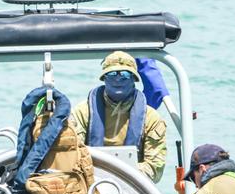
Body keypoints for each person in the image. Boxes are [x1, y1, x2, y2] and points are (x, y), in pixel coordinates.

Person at [70, 51, 167, 183]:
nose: (118, 79)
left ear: (134, 78)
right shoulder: (83, 112)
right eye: (112, 74)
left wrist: (121, 175)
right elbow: (72, 155)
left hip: (134, 185)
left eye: (125, 74)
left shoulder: (151, 118)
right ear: (104, 78)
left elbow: (155, 168)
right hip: (90, 180)